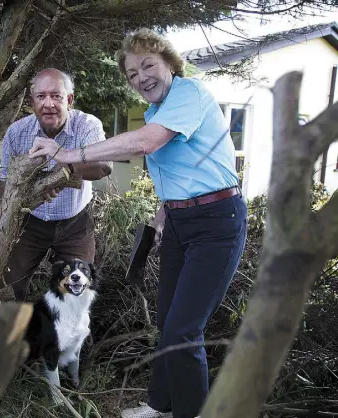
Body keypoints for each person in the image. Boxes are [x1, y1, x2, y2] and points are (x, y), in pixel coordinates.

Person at [29, 30, 248, 418]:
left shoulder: (189, 93)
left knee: (184, 331)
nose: (142, 77)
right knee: (167, 322)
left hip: (217, 223)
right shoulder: (154, 112)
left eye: (149, 65)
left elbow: (145, 144)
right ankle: (160, 406)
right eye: (132, 74)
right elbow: (182, 167)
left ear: (169, 64)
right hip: (181, 222)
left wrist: (67, 153)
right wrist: (165, 212)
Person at [0, 68, 112, 301]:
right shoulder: (16, 133)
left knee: (75, 295)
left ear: (69, 100)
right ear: (32, 101)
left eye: (56, 96)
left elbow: (104, 165)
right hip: (28, 222)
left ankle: (64, 336)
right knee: (7, 290)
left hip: (75, 223)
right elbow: (5, 180)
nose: (48, 104)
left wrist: (66, 165)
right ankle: (8, 336)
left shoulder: (87, 126)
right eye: (41, 96)